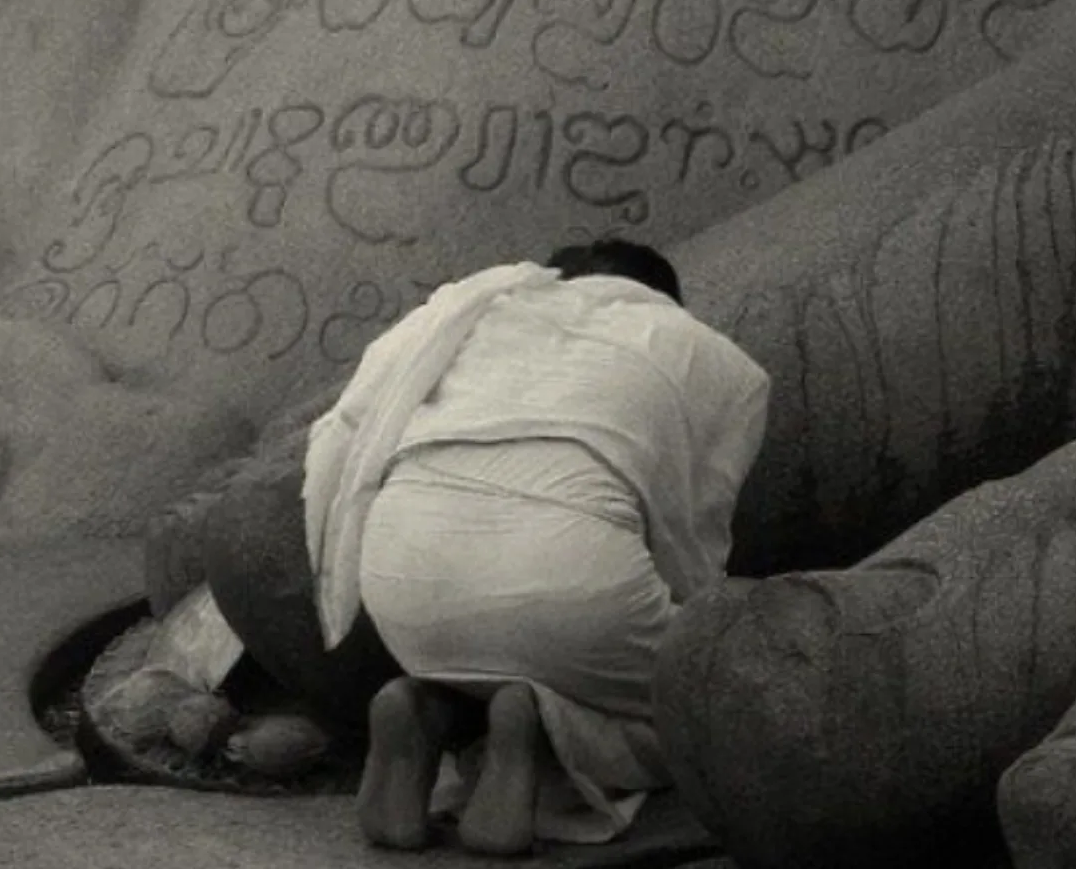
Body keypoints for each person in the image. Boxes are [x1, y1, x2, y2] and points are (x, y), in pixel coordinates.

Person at [300, 238, 770, 854]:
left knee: (506, 654)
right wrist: (685, 626)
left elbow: (349, 431)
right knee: (697, 697)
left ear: (557, 279)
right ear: (667, 300)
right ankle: (544, 734)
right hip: (571, 581)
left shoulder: (483, 312)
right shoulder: (710, 357)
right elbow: (692, 530)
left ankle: (431, 709)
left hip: (402, 584)